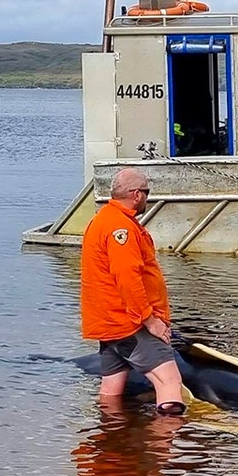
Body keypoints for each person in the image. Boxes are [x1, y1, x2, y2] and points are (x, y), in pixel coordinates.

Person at [80, 167, 186, 416]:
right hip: (128, 323)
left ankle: (111, 442)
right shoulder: (122, 229)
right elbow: (127, 278)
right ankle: (164, 450)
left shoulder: (102, 219)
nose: (147, 199)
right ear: (136, 194)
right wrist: (149, 320)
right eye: (147, 193)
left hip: (108, 324)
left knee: (111, 391)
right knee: (170, 382)